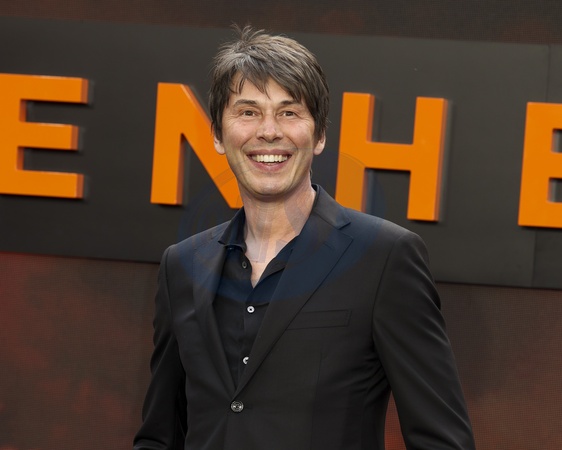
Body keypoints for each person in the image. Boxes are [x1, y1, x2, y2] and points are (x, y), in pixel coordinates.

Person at [134, 26, 475, 450]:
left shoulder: (384, 258)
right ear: (219, 136)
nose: (269, 131)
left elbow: (443, 440)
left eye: (289, 112)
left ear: (320, 135)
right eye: (248, 112)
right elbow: (160, 435)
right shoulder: (182, 266)